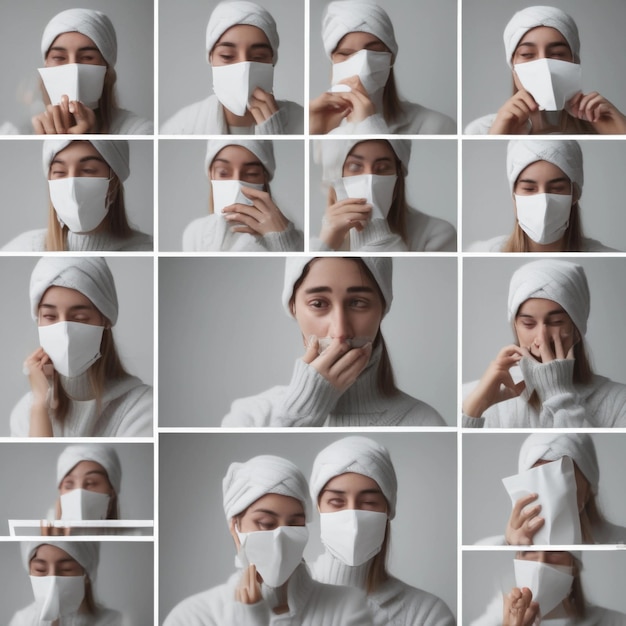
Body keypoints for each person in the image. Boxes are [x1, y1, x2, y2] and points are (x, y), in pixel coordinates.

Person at [222, 256, 446, 427]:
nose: (340, 332)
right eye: (318, 304)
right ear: (293, 307)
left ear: (383, 308)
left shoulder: (423, 420)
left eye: (358, 303)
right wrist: (301, 411)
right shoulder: (249, 416)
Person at [163, 454, 373, 625]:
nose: (281, 537)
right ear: (235, 527)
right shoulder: (193, 617)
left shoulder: (347, 607)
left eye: (294, 525)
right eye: (266, 523)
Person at [309, 436, 456, 626]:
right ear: (319, 508)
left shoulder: (426, 614)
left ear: (388, 510)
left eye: (369, 503)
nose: (352, 516)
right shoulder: (276, 598)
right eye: (337, 502)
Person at [462, 259, 626, 427]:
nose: (541, 338)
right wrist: (473, 411)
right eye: (528, 324)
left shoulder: (619, 403)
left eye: (556, 321)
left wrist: (557, 394)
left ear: (577, 328)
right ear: (516, 327)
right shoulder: (470, 395)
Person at [11, 257, 153, 437]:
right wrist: (40, 408)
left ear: (105, 320)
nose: (65, 331)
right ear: (38, 320)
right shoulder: (26, 411)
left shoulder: (143, 408)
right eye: (50, 316)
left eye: (80, 318)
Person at [465, 6, 626, 135]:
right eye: (527, 54)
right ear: (513, 66)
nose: (545, 66)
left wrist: (619, 131)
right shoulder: (480, 130)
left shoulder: (604, 124)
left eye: (557, 54)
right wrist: (497, 136)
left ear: (574, 61)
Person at [310, 0, 455, 135]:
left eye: (374, 51)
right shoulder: (318, 126)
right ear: (333, 61)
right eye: (345, 53)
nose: (362, 64)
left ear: (390, 57)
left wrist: (369, 124)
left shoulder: (436, 126)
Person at [161, 0, 304, 135]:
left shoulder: (303, 122)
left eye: (258, 56)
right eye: (227, 56)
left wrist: (275, 137)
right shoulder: (180, 128)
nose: (244, 68)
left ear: (272, 61)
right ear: (211, 59)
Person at [468, 140, 619, 252]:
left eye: (557, 188)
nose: (544, 202)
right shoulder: (481, 251)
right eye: (529, 188)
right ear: (514, 195)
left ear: (575, 194)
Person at [2, 140, 153, 251]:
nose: (72, 185)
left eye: (88, 170)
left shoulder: (145, 249)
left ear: (113, 183)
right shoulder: (23, 248)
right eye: (60, 172)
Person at [476, 434, 626, 545]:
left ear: (587, 488)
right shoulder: (492, 546)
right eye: (536, 477)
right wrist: (515, 548)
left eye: (562, 475)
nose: (550, 491)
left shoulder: (620, 541)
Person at [312, 138, 456, 251]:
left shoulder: (435, 234)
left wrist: (375, 227)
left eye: (383, 168)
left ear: (398, 175)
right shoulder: (318, 235)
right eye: (355, 166)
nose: (370, 177)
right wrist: (326, 243)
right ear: (336, 175)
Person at [31, 8, 152, 135]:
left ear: (106, 68)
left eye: (87, 57)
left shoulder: (139, 131)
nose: (73, 68)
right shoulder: (22, 131)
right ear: (46, 66)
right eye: (59, 57)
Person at [182, 139, 303, 251]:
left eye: (251, 173)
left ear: (264, 178)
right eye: (223, 173)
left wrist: (284, 241)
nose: (237, 182)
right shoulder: (195, 233)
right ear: (211, 175)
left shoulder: (298, 243)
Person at [470, 551, 626, 626]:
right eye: (530, 550)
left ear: (574, 566)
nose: (541, 563)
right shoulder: (494, 619)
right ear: (518, 559)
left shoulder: (614, 622)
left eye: (555, 551)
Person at [9, 541, 121, 625]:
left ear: (87, 573)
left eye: (67, 569)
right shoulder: (22, 621)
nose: (52, 581)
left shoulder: (115, 622)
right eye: (40, 569)